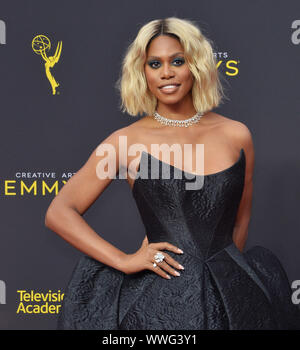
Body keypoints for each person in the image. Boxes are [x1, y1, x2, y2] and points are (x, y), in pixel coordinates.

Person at [45, 17, 300, 330]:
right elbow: (59, 212)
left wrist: (224, 283)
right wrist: (124, 260)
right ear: (143, 71)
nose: (166, 72)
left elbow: (240, 220)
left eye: (177, 61)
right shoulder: (126, 142)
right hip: (160, 300)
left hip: (232, 293)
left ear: (195, 66)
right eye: (155, 63)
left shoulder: (237, 135)